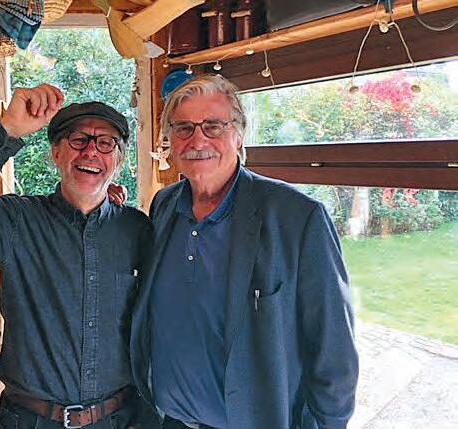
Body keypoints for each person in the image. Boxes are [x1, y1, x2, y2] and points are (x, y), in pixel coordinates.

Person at [0, 84, 156, 429]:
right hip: (29, 420)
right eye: (78, 140)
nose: (91, 151)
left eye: (106, 143)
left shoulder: (137, 230)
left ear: (118, 160)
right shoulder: (16, 221)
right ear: (56, 154)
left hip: (121, 419)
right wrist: (7, 131)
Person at [130, 74, 359, 429]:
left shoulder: (297, 217)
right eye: (184, 128)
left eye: (213, 126)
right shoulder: (164, 205)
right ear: (170, 140)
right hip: (168, 421)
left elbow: (335, 350)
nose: (198, 140)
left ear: (238, 135)